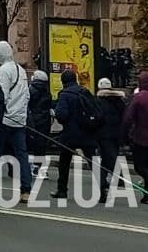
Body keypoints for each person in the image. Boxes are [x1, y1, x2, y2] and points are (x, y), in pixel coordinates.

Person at [0, 40, 32, 203]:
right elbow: (27, 95)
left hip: (5, 120)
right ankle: (26, 189)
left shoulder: (2, 72)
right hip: (20, 120)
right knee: (22, 155)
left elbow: (1, 96)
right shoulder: (20, 70)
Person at [51, 68, 100, 201]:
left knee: (64, 162)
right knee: (93, 161)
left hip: (70, 134)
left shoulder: (64, 94)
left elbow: (61, 115)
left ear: (63, 81)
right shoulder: (85, 92)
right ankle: (102, 189)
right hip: (87, 132)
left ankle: (62, 190)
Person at [121, 70, 148, 204]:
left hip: (141, 137)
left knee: (140, 167)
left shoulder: (139, 97)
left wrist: (124, 136)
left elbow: (128, 118)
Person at [96, 78, 128, 203]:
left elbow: (97, 118)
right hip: (117, 133)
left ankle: (116, 179)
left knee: (108, 157)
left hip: (103, 135)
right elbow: (124, 117)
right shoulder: (119, 101)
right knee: (107, 158)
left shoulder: (98, 101)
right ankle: (107, 180)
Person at [26, 69, 53, 170]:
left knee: (30, 142)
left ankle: (32, 166)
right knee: (41, 144)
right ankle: (39, 166)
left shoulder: (31, 89)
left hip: (33, 119)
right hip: (45, 119)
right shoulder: (47, 90)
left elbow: (27, 103)